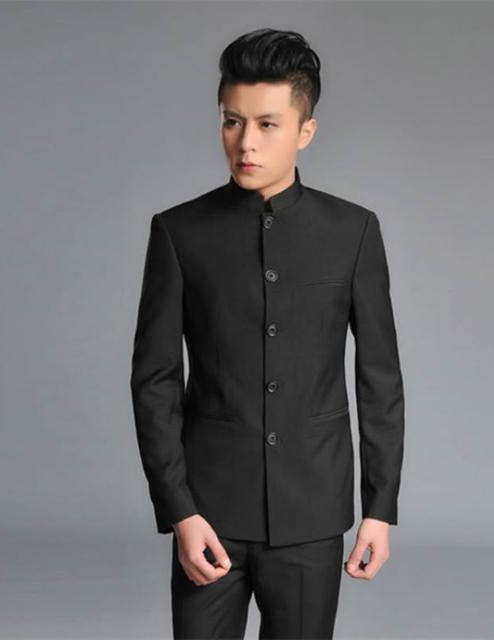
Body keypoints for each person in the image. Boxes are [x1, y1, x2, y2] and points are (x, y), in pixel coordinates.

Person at [130, 27, 405, 640]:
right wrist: (179, 510)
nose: (245, 142)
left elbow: (380, 380)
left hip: (313, 512)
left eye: (267, 124)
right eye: (232, 122)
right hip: (208, 515)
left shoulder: (354, 231)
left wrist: (379, 509)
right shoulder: (178, 232)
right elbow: (154, 381)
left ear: (306, 131)